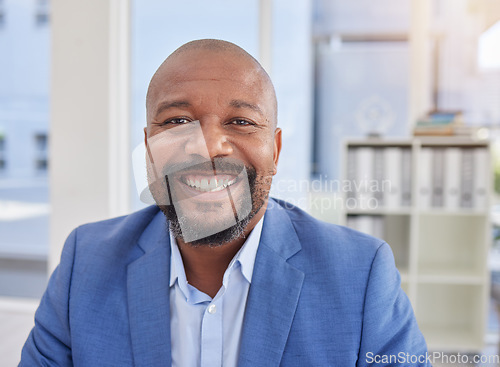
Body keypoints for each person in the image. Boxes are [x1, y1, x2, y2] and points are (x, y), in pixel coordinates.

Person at [20, 39, 430, 366]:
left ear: (276, 149)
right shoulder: (85, 263)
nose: (209, 146)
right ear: (149, 149)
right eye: (178, 121)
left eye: (241, 122)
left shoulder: (361, 274)